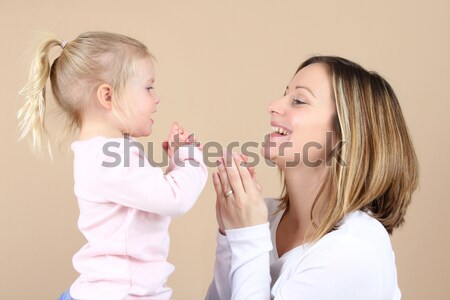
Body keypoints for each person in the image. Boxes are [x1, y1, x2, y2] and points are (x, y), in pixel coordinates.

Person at [206, 56, 419, 300]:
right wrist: (229, 234)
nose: (273, 105)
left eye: (298, 100)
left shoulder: (354, 249)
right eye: (284, 94)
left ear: (344, 134)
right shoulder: (264, 215)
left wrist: (247, 236)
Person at [17, 31, 208, 300]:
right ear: (107, 96)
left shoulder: (106, 152)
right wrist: (189, 159)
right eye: (148, 87)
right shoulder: (108, 157)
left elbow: (145, 205)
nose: (156, 99)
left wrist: (174, 165)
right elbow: (175, 199)